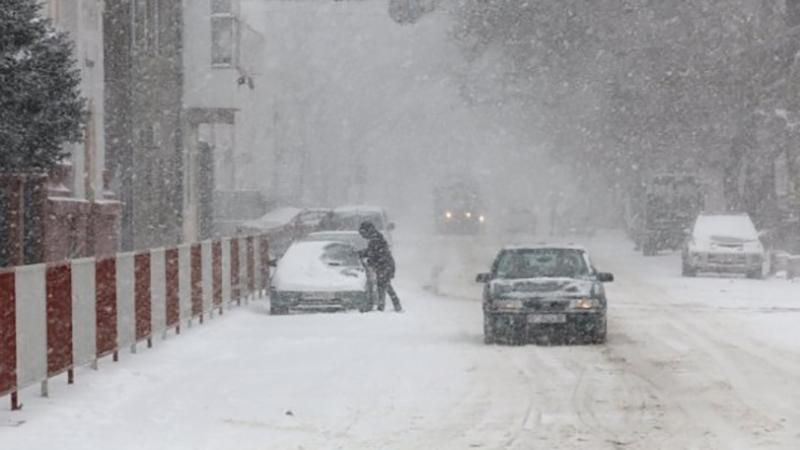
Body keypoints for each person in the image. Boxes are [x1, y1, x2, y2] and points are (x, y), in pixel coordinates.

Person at [358, 222, 402, 312]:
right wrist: (362, 253)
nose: (362, 236)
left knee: (382, 285)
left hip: (384, 265)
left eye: (362, 234)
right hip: (385, 265)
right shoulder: (376, 238)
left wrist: (369, 260)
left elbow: (375, 253)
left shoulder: (375, 239)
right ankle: (396, 305)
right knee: (386, 285)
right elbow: (372, 251)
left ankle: (381, 307)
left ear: (367, 231)